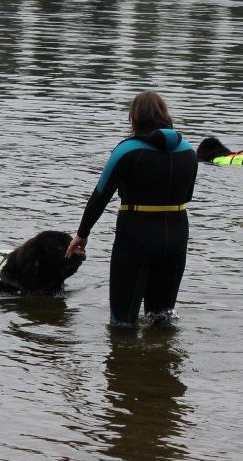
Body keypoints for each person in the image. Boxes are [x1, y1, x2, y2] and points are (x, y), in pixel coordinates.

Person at [66, 91, 198, 326]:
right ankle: (160, 359)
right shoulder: (188, 150)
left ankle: (124, 359)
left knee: (122, 322)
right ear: (166, 114)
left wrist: (82, 234)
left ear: (134, 117)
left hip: (136, 236)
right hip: (177, 236)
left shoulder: (127, 150)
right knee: (162, 319)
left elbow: (100, 195)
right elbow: (187, 195)